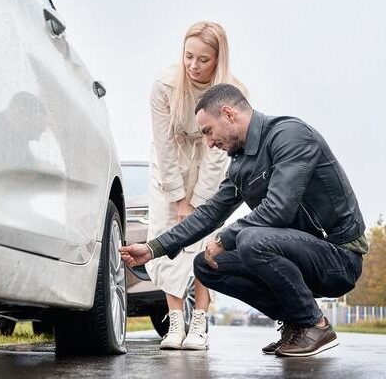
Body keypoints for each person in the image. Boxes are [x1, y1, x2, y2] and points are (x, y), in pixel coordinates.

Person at [121, 84, 367, 357]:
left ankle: (314, 325)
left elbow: (278, 209)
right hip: (295, 253)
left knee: (251, 240)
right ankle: (296, 322)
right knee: (205, 265)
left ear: (228, 114)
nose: (209, 143)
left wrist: (225, 238)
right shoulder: (240, 164)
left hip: (338, 258)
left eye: (208, 131)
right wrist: (154, 248)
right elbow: (209, 213)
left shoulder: (291, 136)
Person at [146, 21, 247, 350]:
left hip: (210, 160)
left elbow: (220, 153)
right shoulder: (163, 85)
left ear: (218, 59)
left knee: (202, 241)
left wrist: (198, 205)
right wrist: (178, 200)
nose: (193, 65)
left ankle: (200, 322)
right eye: (188, 56)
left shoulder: (232, 92)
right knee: (167, 239)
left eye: (203, 59)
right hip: (170, 164)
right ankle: (175, 322)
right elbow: (163, 145)